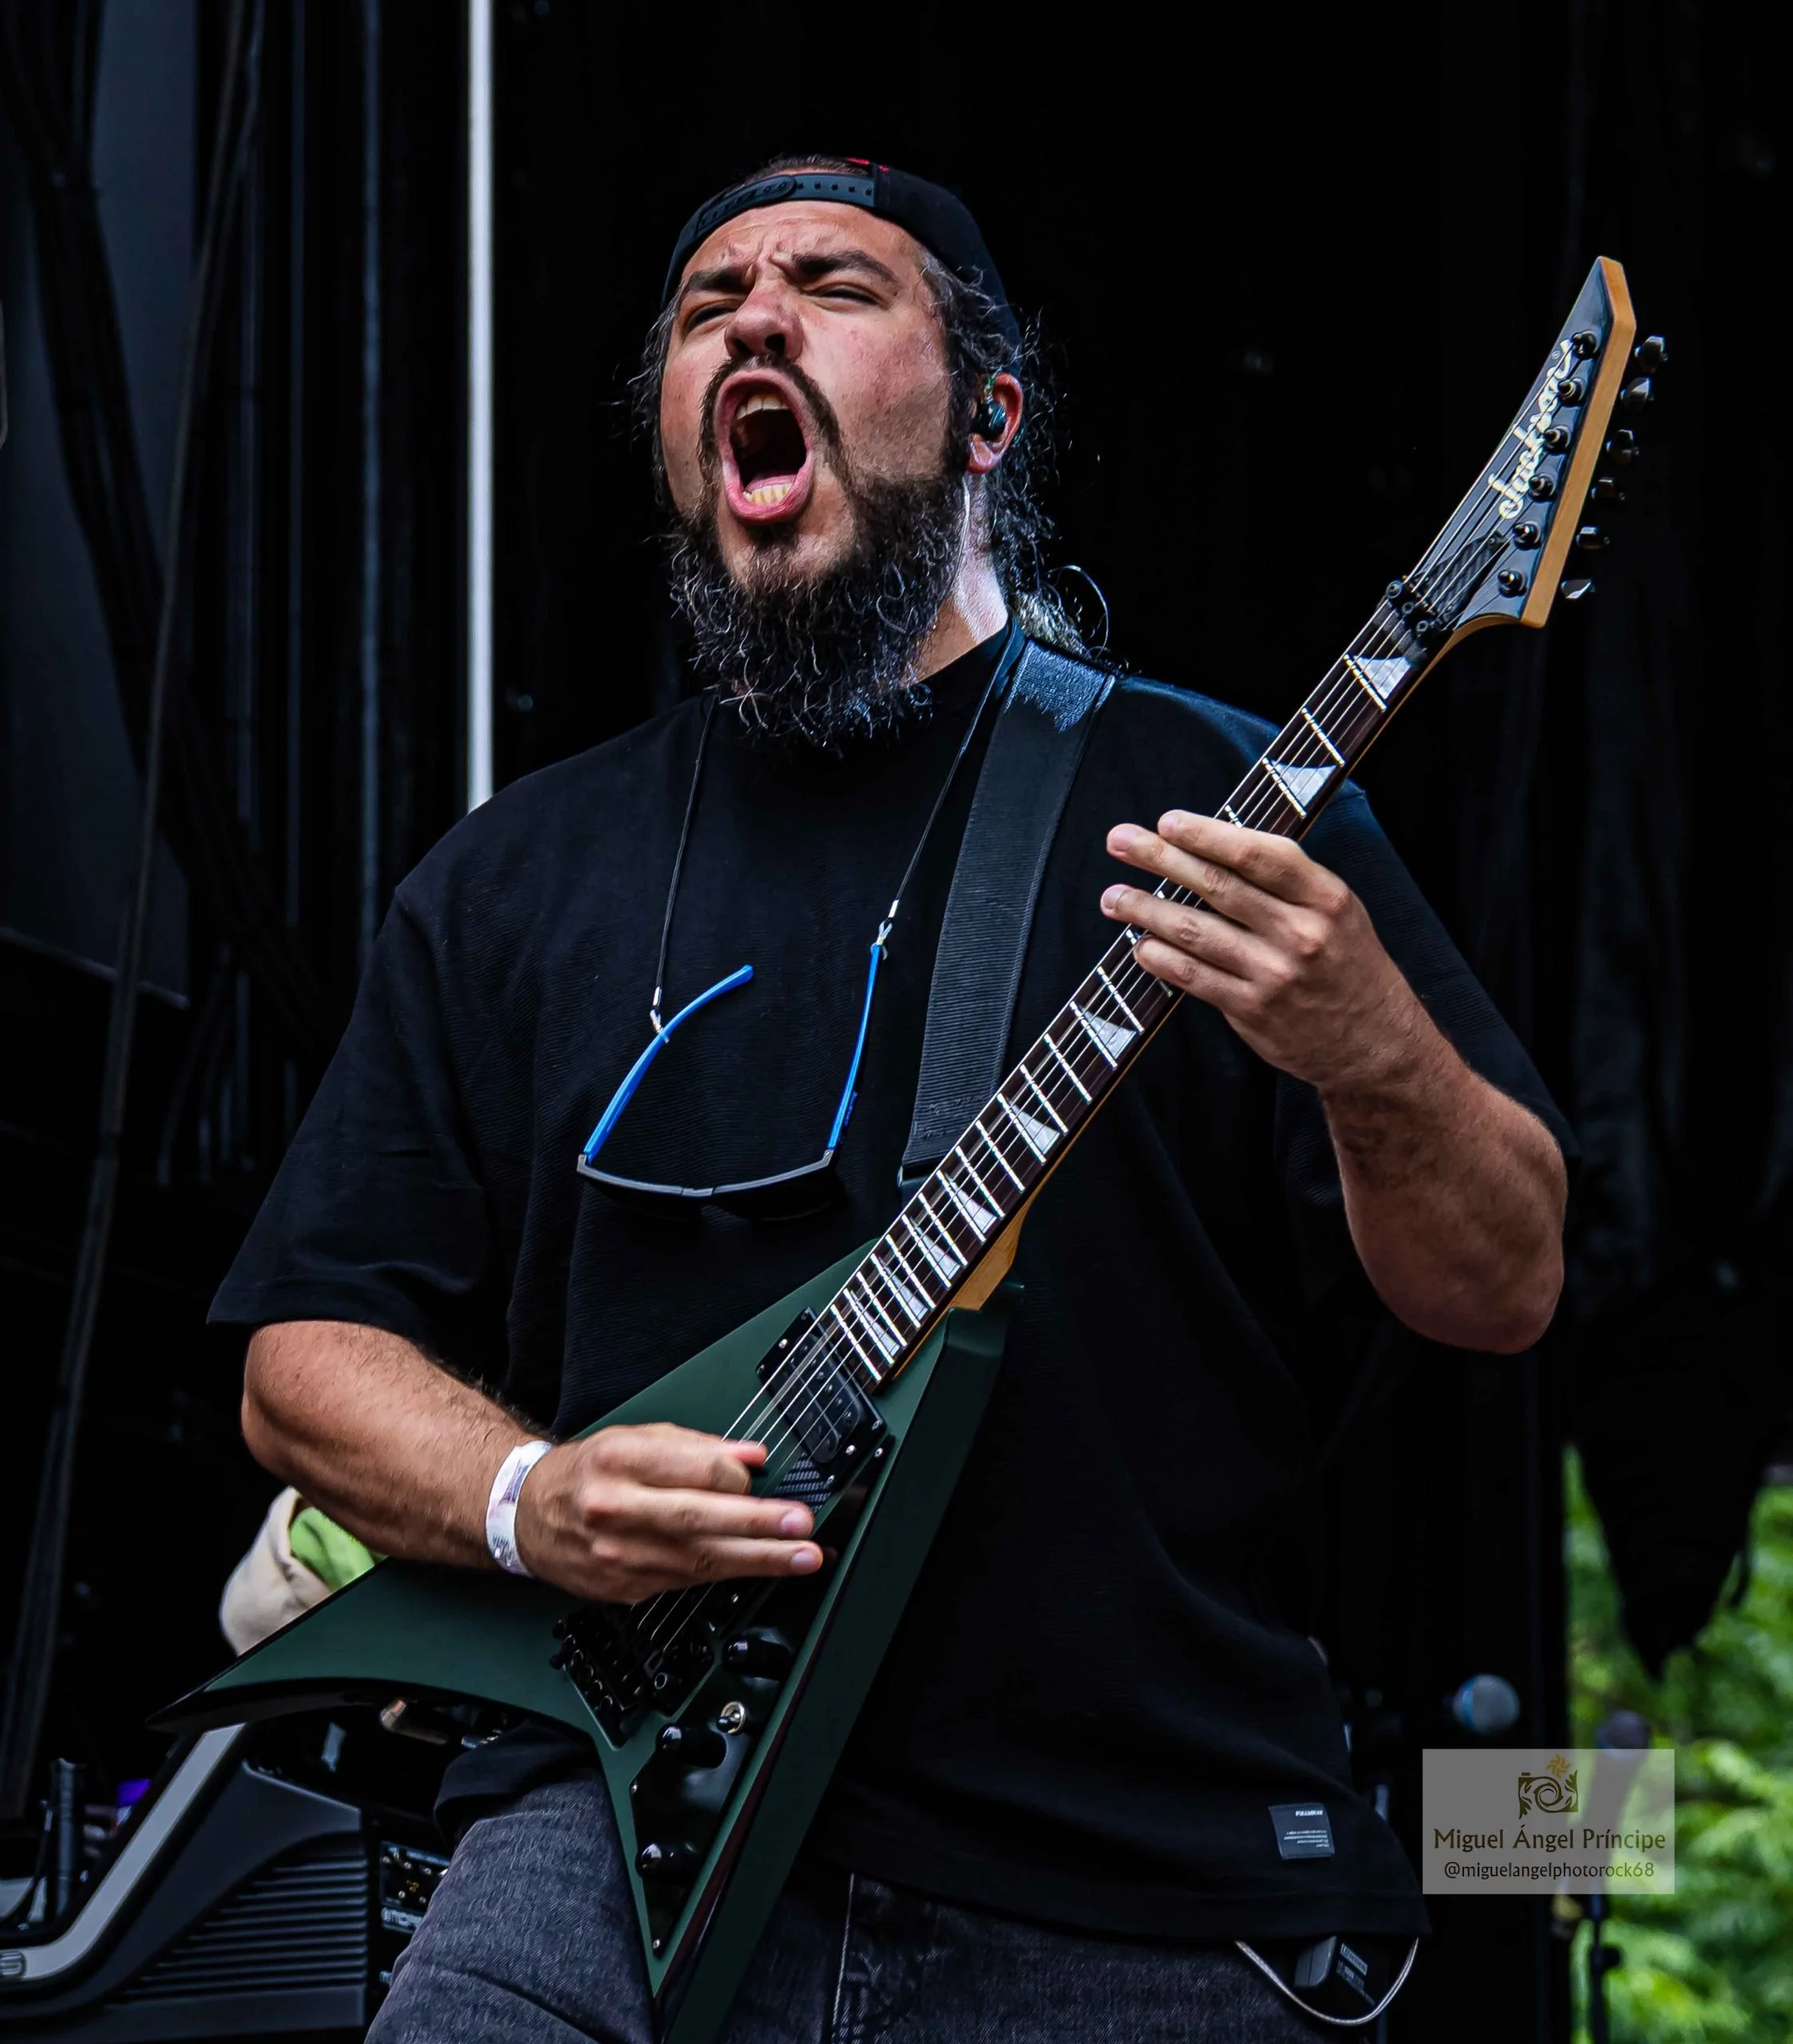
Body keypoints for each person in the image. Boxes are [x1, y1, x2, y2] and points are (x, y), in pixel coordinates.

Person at [214, 156, 1570, 2042]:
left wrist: (1365, 1040)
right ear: (683, 442)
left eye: (836, 287)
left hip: (1126, 1881)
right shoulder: (510, 876)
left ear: (988, 417)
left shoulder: (1221, 801)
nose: (754, 318)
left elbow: (1502, 1277)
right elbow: (304, 1354)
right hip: (600, 1854)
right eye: (707, 309)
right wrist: (535, 1497)